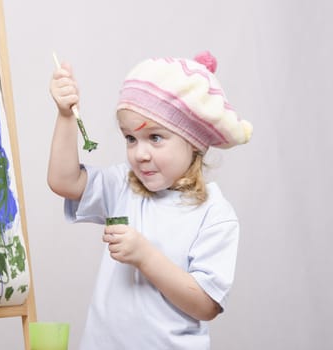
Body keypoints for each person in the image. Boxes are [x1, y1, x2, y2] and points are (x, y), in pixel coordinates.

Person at [48, 51, 253, 349]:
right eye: (130, 138)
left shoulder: (214, 213)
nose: (139, 153)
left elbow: (206, 305)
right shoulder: (123, 185)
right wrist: (66, 115)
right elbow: (63, 181)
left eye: (155, 137)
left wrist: (145, 256)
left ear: (193, 141)